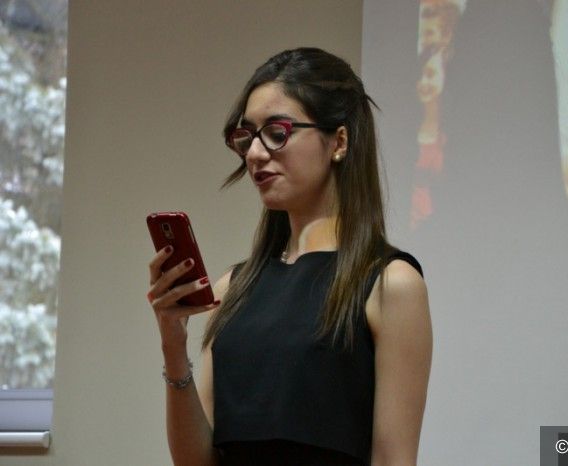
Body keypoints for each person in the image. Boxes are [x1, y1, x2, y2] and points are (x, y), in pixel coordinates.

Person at [146, 47, 433, 466]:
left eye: (277, 132)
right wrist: (173, 345)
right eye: (247, 136)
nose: (254, 153)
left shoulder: (391, 285)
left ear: (339, 141)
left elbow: (394, 459)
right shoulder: (232, 289)